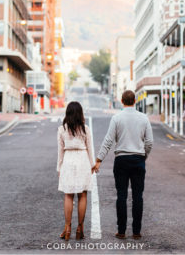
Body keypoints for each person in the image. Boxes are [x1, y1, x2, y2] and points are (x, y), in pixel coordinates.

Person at [92, 90, 153, 240]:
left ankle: (121, 231)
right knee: (138, 196)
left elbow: (108, 140)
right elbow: (149, 142)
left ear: (122, 101)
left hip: (121, 160)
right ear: (135, 101)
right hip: (138, 160)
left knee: (121, 196)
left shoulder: (117, 118)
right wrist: (143, 156)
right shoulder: (144, 118)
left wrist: (99, 160)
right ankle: (137, 231)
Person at [57, 101, 94, 241]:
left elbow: (60, 151)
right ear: (80, 114)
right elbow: (90, 149)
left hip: (68, 159)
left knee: (68, 195)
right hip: (82, 159)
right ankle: (80, 228)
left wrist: (59, 168)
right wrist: (92, 165)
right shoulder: (85, 129)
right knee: (82, 195)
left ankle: (67, 228)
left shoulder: (62, 129)